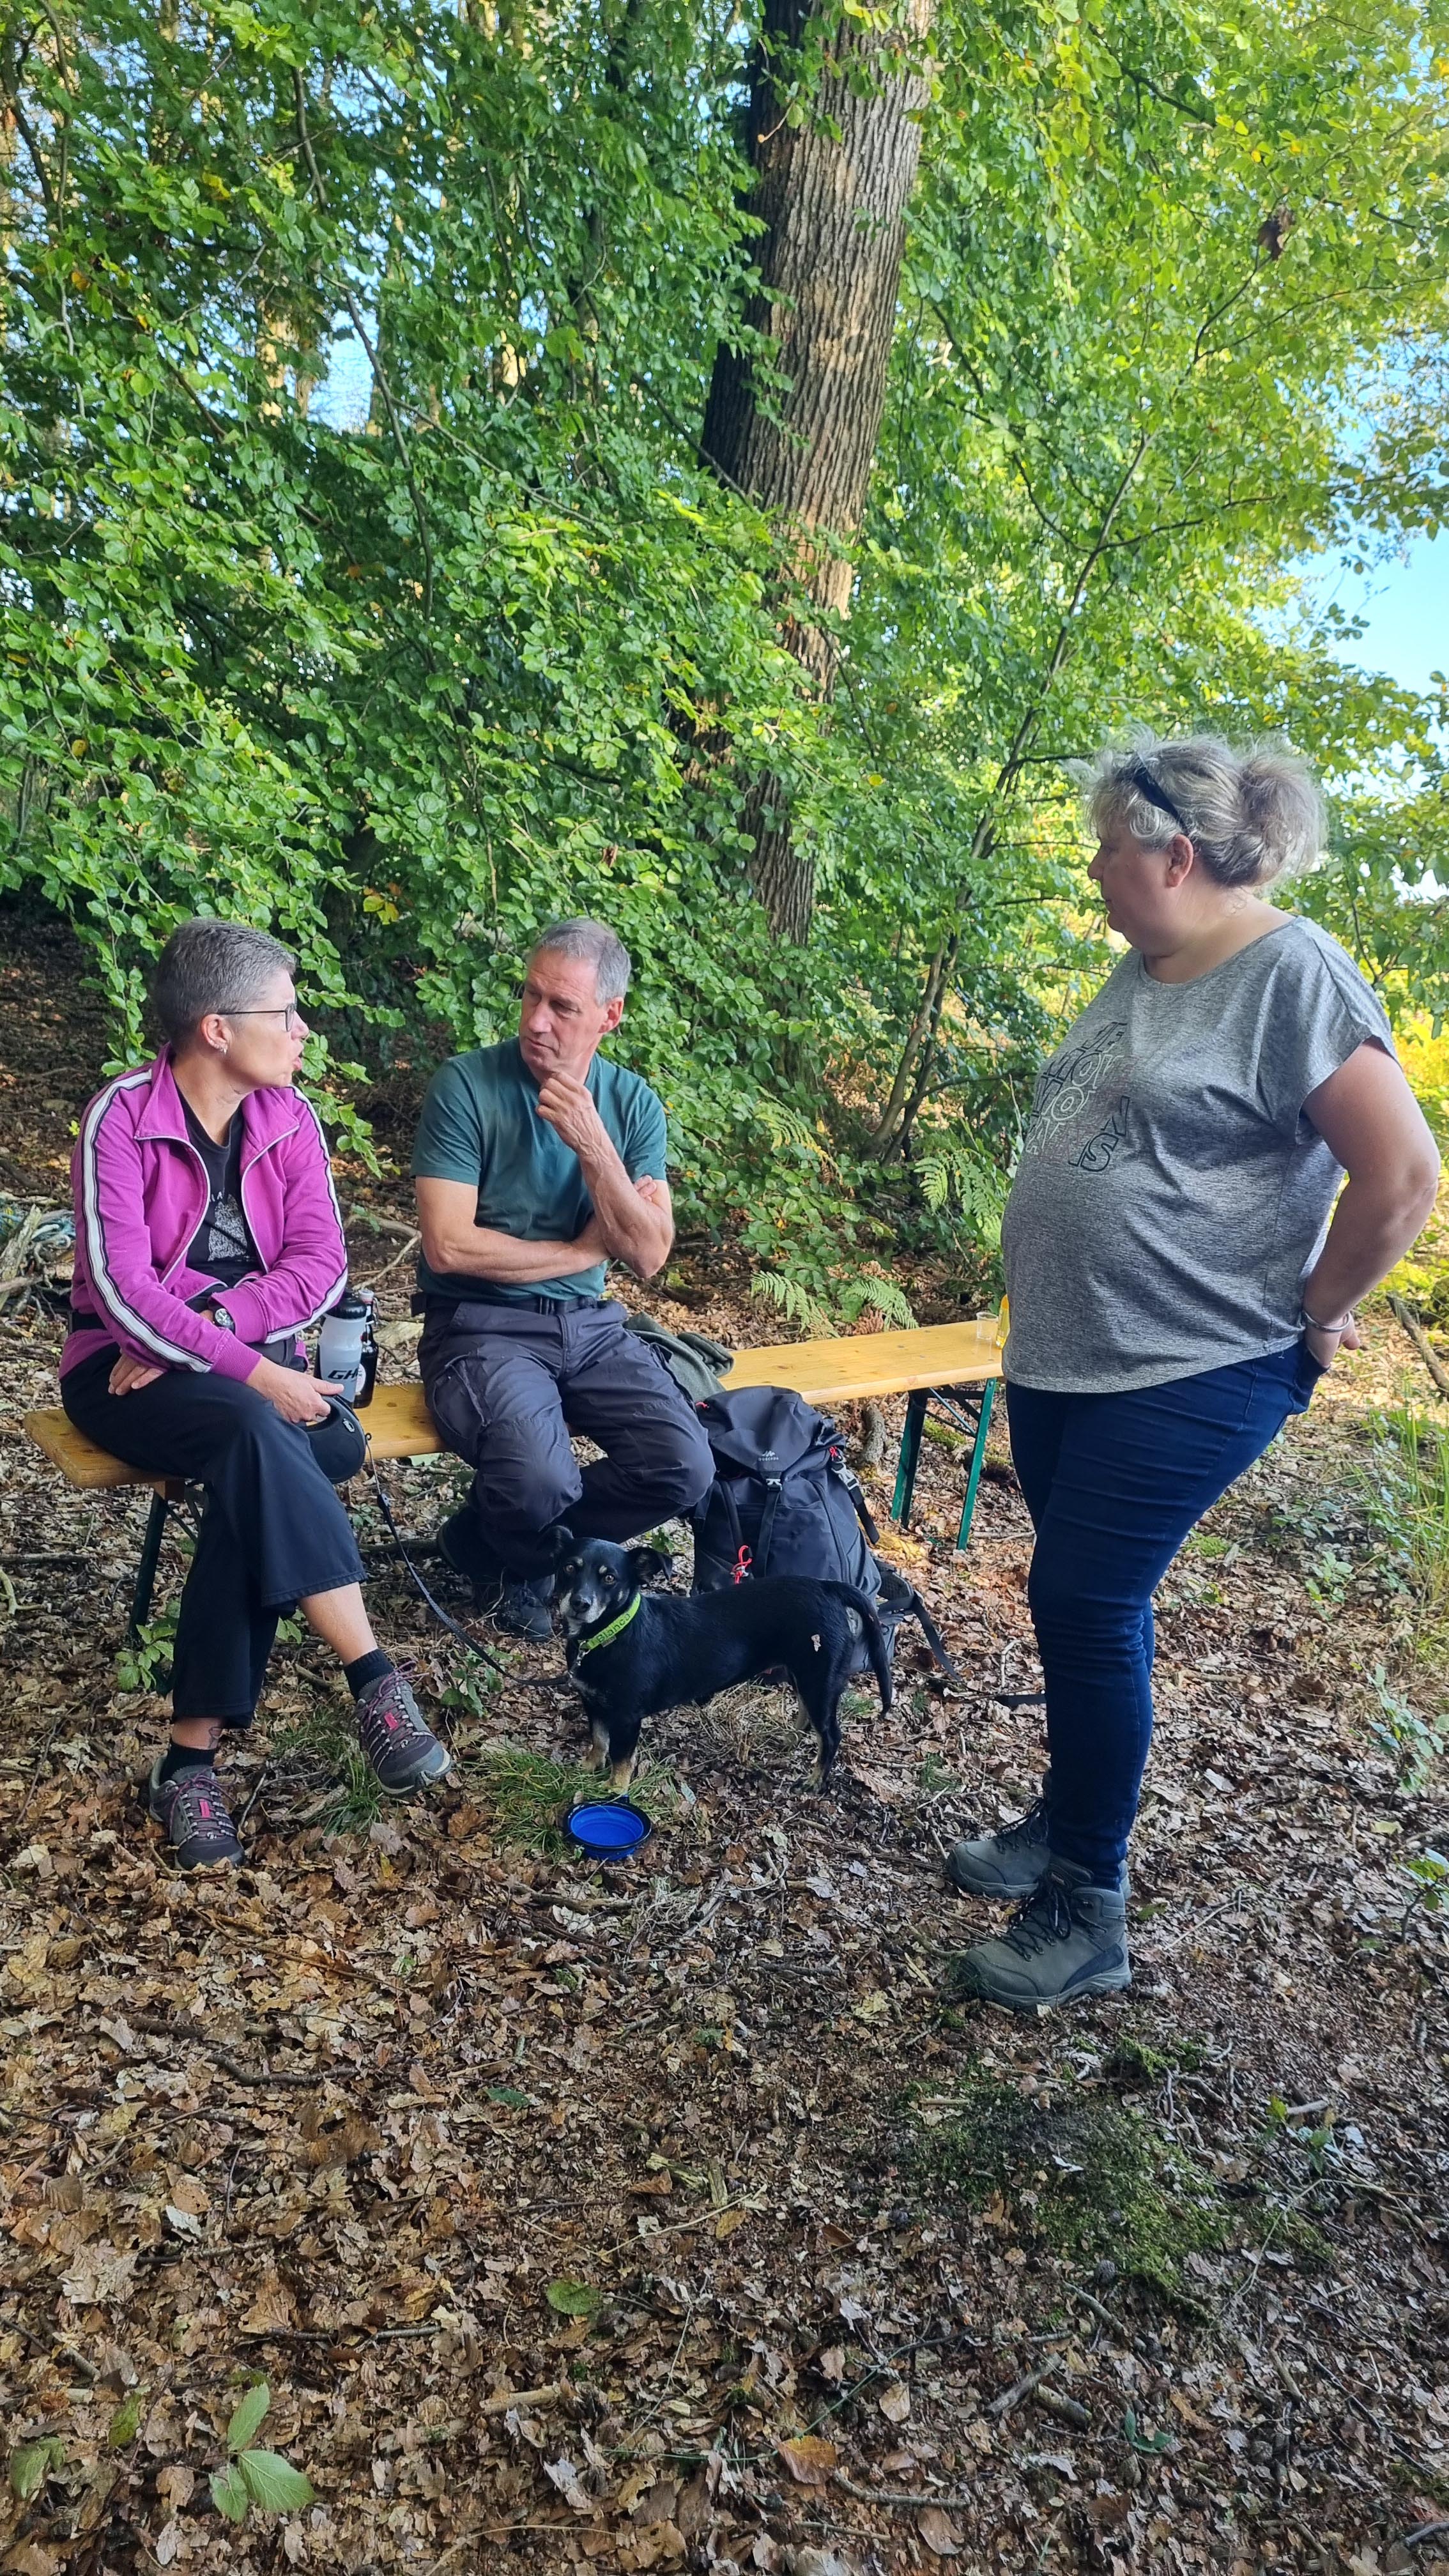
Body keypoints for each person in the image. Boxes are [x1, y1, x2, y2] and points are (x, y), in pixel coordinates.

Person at [947, 733, 1441, 2009]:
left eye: (1106, 845)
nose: (1093, 866)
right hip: (1073, 1354)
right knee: (1089, 1605)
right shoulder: (1146, 966)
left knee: (1082, 1600)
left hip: (1196, 1360)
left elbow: (1401, 1175)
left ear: (1171, 853)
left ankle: (1088, 1907)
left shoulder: (1293, 973)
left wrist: (1320, 1309)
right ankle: (1069, 1817)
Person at [62, 920, 452, 1871]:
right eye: (285, 1012)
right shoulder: (121, 1119)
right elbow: (121, 1293)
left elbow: (323, 1266)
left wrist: (217, 1330)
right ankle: (371, 1673)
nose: (303, 1028)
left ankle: (187, 1765)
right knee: (261, 1433)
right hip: (117, 1375)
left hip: (229, 1372)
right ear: (217, 1029)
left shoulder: (289, 1118)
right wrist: (252, 1369)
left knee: (276, 1456)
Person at [413, 918, 714, 1637]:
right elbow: (449, 1247)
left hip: (590, 1327)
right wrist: (583, 1253)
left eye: (562, 1007)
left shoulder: (632, 1104)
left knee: (683, 1466)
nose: (536, 1021)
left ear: (610, 1015)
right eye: (530, 996)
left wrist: (594, 1146)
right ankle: (528, 1557)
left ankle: (496, 1541)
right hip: (480, 1325)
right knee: (540, 1479)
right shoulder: (467, 1085)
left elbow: (648, 1254)